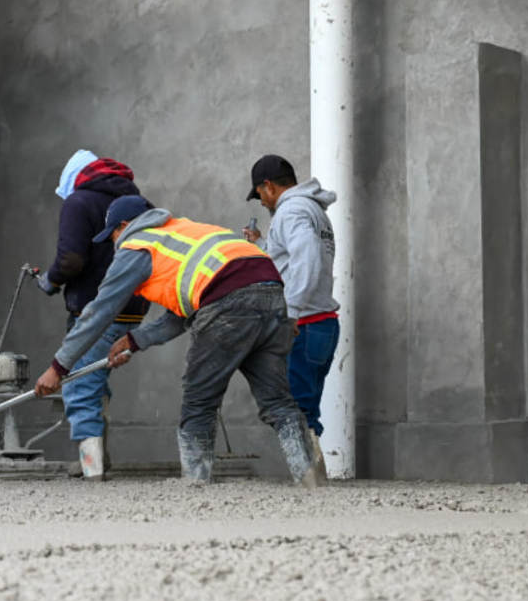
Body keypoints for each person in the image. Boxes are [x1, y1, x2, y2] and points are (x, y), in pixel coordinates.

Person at [34, 195, 325, 486]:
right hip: (272, 294)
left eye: (112, 234)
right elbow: (182, 314)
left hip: (229, 301)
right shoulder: (184, 233)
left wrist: (59, 368)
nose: (114, 243)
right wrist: (134, 340)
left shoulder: (137, 246)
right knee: (278, 401)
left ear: (125, 225)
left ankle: (195, 480)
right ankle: (308, 476)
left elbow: (98, 312)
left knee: (199, 398)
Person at [37, 149, 149, 480]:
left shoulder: (79, 202)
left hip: (96, 308)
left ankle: (92, 469)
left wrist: (51, 279)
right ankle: (100, 458)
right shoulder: (139, 203)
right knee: (95, 380)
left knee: (79, 383)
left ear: (76, 178)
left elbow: (71, 259)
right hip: (136, 307)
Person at [242, 154, 339, 437]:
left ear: (269, 186)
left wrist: (292, 313)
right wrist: (261, 243)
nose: (261, 201)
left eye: (259, 194)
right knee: (305, 408)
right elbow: (292, 259)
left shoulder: (291, 211)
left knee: (293, 409)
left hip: (303, 325)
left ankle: (308, 477)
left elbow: (307, 258)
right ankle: (311, 476)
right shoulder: (313, 210)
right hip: (321, 323)